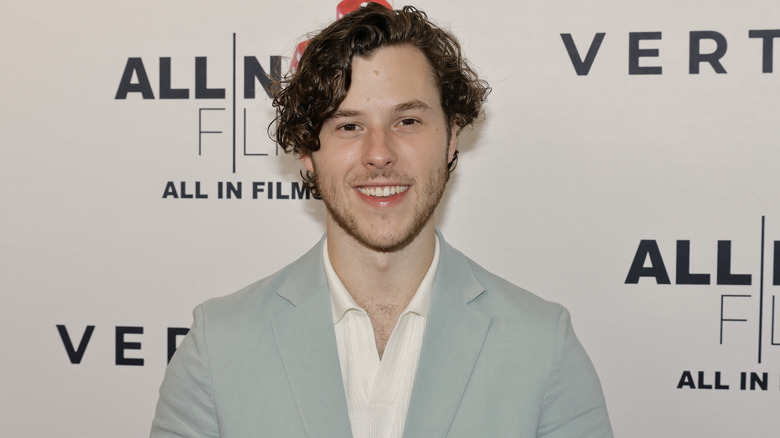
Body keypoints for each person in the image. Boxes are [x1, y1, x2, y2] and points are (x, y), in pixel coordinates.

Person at [151, 3, 612, 437]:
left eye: (407, 121)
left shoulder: (542, 346)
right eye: (349, 125)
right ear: (308, 153)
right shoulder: (217, 346)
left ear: (452, 136)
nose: (379, 154)